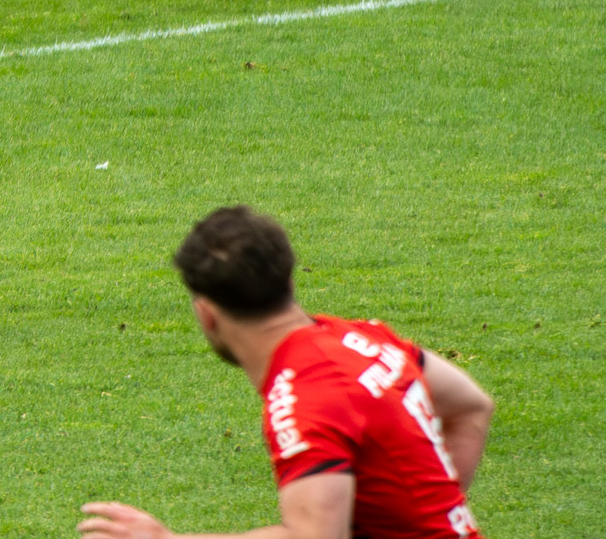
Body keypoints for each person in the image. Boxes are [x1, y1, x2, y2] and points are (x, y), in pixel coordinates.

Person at [79, 206, 497, 539]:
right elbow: (472, 406)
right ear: (287, 282)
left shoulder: (305, 400)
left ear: (206, 314)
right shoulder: (367, 339)